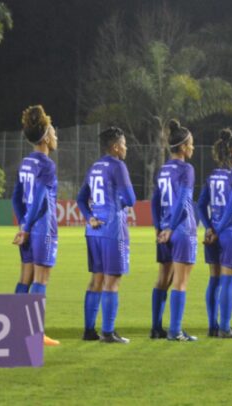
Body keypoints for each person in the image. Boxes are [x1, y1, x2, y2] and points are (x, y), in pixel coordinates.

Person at [77, 126, 136, 343]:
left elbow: (80, 199)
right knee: (113, 281)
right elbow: (130, 199)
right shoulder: (118, 166)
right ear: (115, 147)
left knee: (96, 280)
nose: (126, 147)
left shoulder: (94, 167)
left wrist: (89, 217)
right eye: (124, 144)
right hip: (113, 230)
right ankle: (108, 332)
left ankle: (89, 330)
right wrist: (119, 199)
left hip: (94, 230)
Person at [11, 105, 60, 347]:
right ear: (46, 137)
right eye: (53, 131)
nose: (56, 136)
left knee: (25, 277)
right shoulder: (47, 165)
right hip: (42, 229)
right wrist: (28, 227)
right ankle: (34, 334)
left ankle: (17, 331)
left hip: (28, 227)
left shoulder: (26, 162)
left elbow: (15, 197)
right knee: (41, 279)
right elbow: (40, 198)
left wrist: (22, 223)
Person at [196, 128, 232, 339]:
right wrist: (216, 230)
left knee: (214, 281)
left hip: (213, 234)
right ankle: (225, 328)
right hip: (230, 233)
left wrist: (209, 227)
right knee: (228, 282)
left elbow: (200, 204)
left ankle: (212, 327)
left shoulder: (213, 175)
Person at [150, 119, 198, 342]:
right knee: (180, 282)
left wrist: (159, 227)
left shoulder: (163, 170)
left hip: (165, 230)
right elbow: (183, 199)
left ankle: (156, 328)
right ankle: (175, 330)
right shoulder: (186, 169)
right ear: (182, 147)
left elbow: (155, 201)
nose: (193, 148)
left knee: (163, 280)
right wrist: (170, 227)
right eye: (190, 144)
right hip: (181, 229)